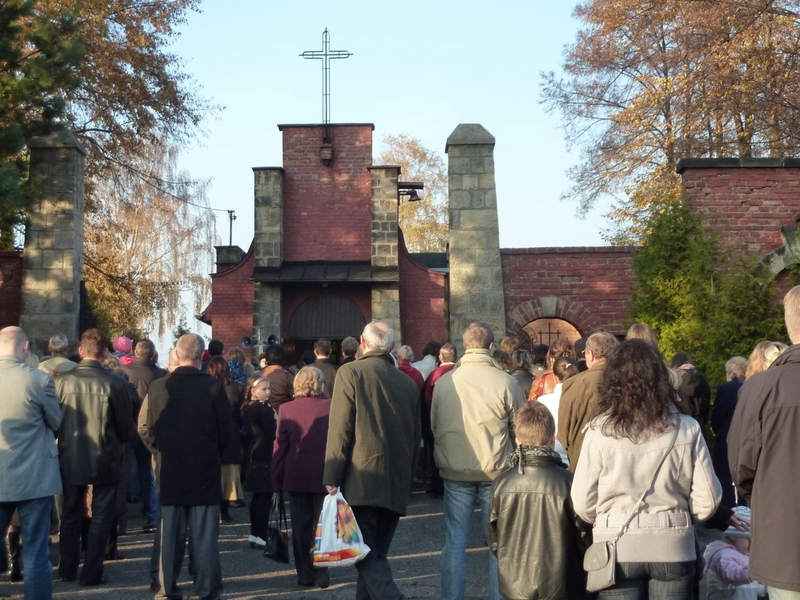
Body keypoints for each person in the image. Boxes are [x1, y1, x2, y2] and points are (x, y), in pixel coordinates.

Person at [571, 339, 721, 598]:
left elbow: (583, 503)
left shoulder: (598, 431)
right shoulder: (687, 427)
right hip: (673, 544)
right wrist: (683, 515)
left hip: (616, 546)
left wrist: (607, 518)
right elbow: (708, 501)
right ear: (661, 378)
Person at [323, 321, 421, 600]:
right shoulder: (408, 383)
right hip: (395, 477)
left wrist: (332, 474)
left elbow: (341, 427)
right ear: (392, 346)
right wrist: (409, 478)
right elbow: (415, 435)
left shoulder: (351, 372)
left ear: (362, 343)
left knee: (366, 555)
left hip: (361, 477)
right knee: (374, 554)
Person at [431, 321, 526, 600]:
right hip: (496, 469)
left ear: (464, 345)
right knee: (498, 544)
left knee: (454, 542)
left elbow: (435, 424)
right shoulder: (506, 382)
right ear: (492, 346)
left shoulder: (445, 382)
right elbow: (519, 429)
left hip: (454, 467)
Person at [143, 334, 231, 600]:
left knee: (169, 538)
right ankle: (206, 590)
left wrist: (159, 452)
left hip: (171, 468)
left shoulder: (158, 388)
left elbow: (149, 429)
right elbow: (226, 434)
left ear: (177, 354)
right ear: (202, 355)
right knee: (204, 540)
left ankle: (166, 589)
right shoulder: (213, 387)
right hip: (204, 469)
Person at [729, 285, 800, 599]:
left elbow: (741, 467)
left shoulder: (760, 388)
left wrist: (766, 499)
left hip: (784, 538)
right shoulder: (762, 387)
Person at [55, 328, 136, 586]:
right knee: (101, 516)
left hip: (70, 455)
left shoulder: (62, 382)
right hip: (106, 456)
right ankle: (91, 573)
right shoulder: (116, 384)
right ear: (105, 353)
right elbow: (126, 427)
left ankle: (67, 569)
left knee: (70, 513)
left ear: (81, 351)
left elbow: (54, 422)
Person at [489, 402, 590, 600]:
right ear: (553, 439)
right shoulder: (569, 482)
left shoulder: (502, 483)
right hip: (563, 585)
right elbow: (583, 536)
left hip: (515, 586)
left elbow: (495, 540)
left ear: (517, 440)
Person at [0, 326, 62, 599]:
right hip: (35, 474)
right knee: (36, 552)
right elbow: (56, 421)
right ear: (25, 347)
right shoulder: (39, 379)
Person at [272, 367, 331, 588]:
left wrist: (276, 481)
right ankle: (322, 567)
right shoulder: (332, 406)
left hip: (296, 473)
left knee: (300, 526)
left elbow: (280, 448)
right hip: (325, 473)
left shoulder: (286, 409)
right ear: (320, 383)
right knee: (323, 524)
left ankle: (305, 574)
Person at [557, 331, 618, 470]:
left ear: (590, 355)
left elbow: (564, 432)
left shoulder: (574, 384)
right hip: (620, 463)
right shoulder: (629, 380)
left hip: (584, 460)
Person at [123, 338, 165, 534]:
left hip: (130, 423)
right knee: (150, 469)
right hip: (152, 424)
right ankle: (151, 512)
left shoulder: (126, 372)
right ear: (153, 354)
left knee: (128, 467)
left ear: (136, 353)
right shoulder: (160, 374)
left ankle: (128, 504)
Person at [206, 357, 244, 523]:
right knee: (229, 476)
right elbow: (241, 413)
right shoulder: (236, 388)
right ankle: (224, 511)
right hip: (232, 432)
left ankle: (215, 511)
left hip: (212, 434)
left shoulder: (207, 388)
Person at [241, 374, 276, 549]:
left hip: (252, 453)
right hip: (265, 453)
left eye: (269, 389)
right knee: (264, 496)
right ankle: (261, 534)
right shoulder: (263, 408)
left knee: (256, 497)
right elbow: (273, 431)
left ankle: (255, 533)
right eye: (264, 389)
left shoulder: (249, 407)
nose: (268, 392)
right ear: (253, 391)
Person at [710, 356, 748, 508]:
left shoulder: (726, 388)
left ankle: (728, 508)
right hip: (747, 436)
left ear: (731, 373)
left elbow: (717, 415)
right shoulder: (753, 385)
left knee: (724, 476)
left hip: (727, 435)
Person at [704, 506, 765, 600]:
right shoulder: (722, 554)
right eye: (749, 540)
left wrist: (765, 587)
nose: (753, 545)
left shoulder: (744, 555)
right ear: (733, 537)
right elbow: (732, 574)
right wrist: (752, 572)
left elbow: (749, 586)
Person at [422, 343, 458, 499]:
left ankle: (438, 486)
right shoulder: (460, 372)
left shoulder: (434, 375)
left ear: (440, 357)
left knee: (436, 454)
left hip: (438, 420)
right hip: (458, 419)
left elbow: (427, 399)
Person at [536, 355, 579, 466]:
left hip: (550, 460)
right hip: (577, 460)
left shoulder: (542, 401)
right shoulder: (583, 401)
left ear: (555, 378)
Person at [670, 352, 712, 430]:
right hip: (699, 424)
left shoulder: (675, 381)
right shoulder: (702, 379)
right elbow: (706, 406)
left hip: (681, 426)